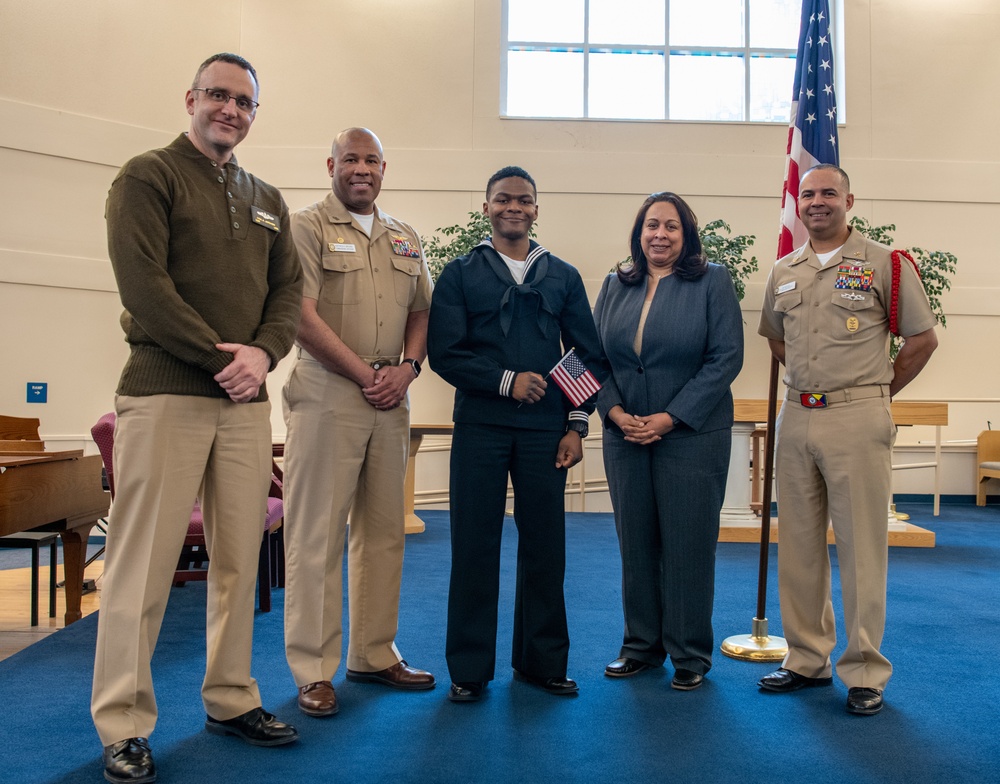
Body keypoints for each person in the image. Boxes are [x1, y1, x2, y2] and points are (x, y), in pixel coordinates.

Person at [92, 53, 303, 784]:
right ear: (191, 98)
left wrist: (265, 354)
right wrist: (224, 358)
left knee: (240, 560)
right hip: (164, 394)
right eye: (218, 95)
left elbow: (287, 293)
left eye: (244, 102)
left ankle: (230, 696)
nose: (231, 110)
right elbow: (144, 288)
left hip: (244, 405)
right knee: (141, 568)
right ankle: (123, 723)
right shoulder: (147, 176)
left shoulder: (267, 196)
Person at [757, 164, 938, 716]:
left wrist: (875, 391)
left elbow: (922, 340)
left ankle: (863, 671)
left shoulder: (886, 262)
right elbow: (777, 340)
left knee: (862, 547)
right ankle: (806, 658)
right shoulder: (785, 268)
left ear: (848, 199)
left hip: (858, 416)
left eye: (827, 193)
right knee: (801, 546)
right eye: (807, 193)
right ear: (798, 202)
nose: (816, 202)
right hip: (798, 416)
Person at [427, 165, 606, 703]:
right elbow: (445, 352)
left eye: (524, 200)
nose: (514, 207)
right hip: (480, 428)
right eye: (503, 199)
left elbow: (585, 355)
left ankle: (541, 663)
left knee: (545, 549)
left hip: (545, 434)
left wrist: (577, 424)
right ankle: (469, 668)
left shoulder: (562, 276)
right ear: (486, 209)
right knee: (475, 546)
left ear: (535, 209)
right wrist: (506, 381)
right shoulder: (460, 273)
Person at [282, 127, 435, 718]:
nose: (362, 169)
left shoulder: (404, 236)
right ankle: (313, 669)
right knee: (316, 535)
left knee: (383, 530)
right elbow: (299, 315)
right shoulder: (307, 227)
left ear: (383, 167)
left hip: (390, 397)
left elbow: (421, 309)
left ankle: (373, 653)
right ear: (331, 165)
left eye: (371, 159)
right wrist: (365, 374)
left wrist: (408, 368)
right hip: (328, 394)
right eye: (351, 159)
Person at [594, 192, 744, 690]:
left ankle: (689, 654)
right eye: (651, 225)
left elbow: (725, 359)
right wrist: (614, 413)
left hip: (691, 436)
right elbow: (593, 359)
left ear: (687, 235)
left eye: (671, 227)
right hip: (624, 435)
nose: (660, 234)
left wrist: (669, 418)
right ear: (639, 233)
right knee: (635, 544)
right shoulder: (614, 284)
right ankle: (639, 647)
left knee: (688, 544)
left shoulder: (713, 281)